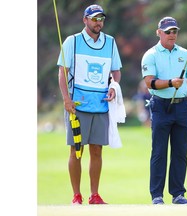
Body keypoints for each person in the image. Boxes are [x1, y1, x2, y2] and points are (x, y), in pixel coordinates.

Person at [57, 4, 122, 205]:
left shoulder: (110, 42)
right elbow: (62, 72)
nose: (98, 22)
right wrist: (66, 99)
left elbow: (116, 71)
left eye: (100, 18)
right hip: (77, 105)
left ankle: (95, 195)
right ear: (85, 20)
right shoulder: (72, 41)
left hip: (101, 105)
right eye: (94, 19)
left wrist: (114, 85)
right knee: (76, 150)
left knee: (97, 150)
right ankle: (77, 196)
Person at [141, 17, 187, 204]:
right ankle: (157, 196)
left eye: (174, 31)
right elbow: (149, 82)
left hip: (182, 107)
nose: (172, 34)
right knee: (159, 152)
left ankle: (178, 194)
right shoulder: (150, 55)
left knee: (180, 152)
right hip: (161, 106)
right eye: (168, 31)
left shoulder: (185, 54)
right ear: (158, 32)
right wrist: (170, 83)